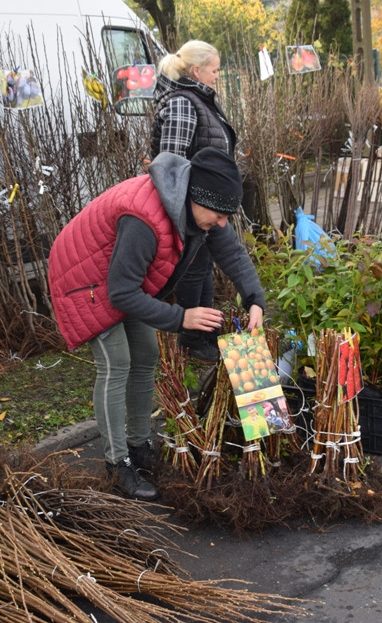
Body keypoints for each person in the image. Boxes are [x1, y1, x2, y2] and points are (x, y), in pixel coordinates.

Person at [48, 147, 265, 500]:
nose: (222, 223)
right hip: (84, 283)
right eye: (220, 215)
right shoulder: (143, 220)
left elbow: (232, 252)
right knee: (117, 361)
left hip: (121, 278)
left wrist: (254, 299)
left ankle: (139, 445)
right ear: (197, 197)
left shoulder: (202, 210)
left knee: (146, 353)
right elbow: (120, 293)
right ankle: (117, 464)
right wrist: (182, 317)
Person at [150, 40, 238, 363]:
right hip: (189, 207)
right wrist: (185, 212)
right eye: (214, 70)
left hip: (205, 204)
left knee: (203, 269)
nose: (217, 76)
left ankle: (205, 333)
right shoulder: (183, 105)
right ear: (197, 70)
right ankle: (192, 339)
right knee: (193, 270)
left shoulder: (197, 99)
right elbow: (169, 165)